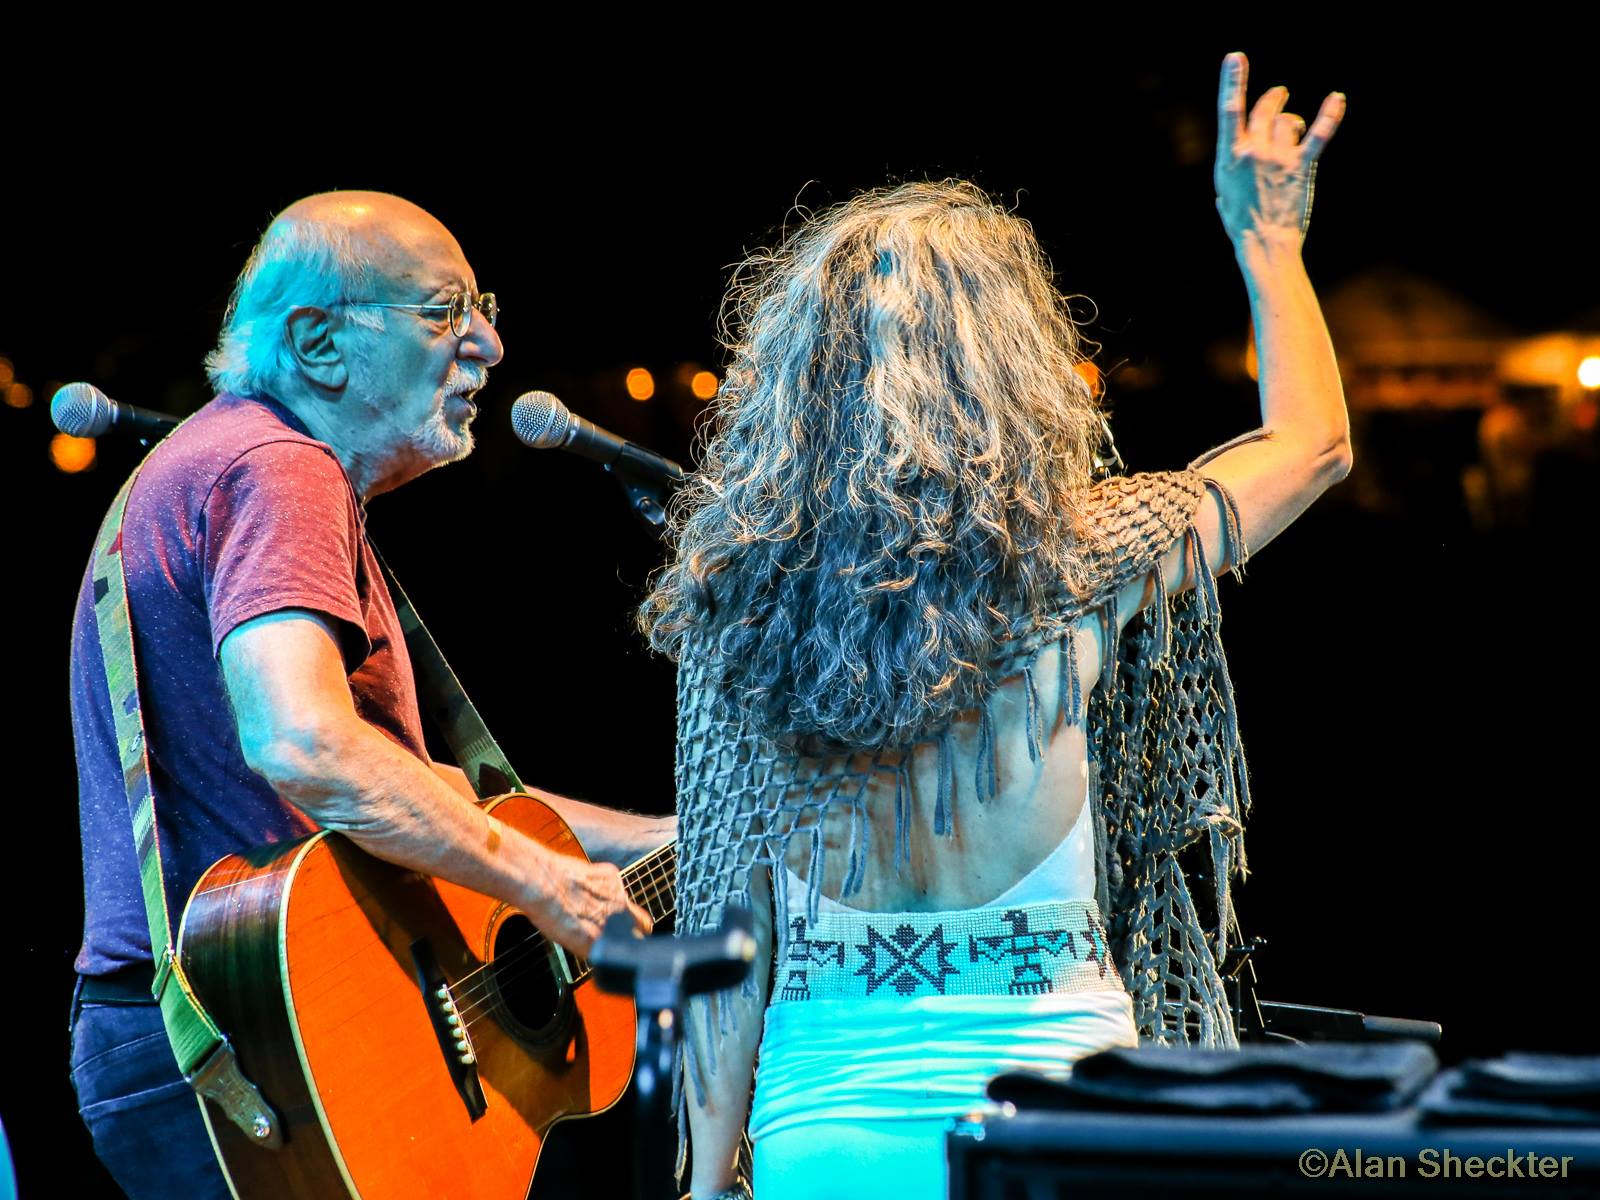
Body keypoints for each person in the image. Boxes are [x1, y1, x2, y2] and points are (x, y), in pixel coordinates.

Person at [641, 54, 1350, 1200]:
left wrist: (709, 1172)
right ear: (1013, 369)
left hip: (828, 1127)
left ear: (794, 381)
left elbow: (730, 938)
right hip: (1065, 1116)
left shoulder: (738, 605)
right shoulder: (1078, 559)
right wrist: (1266, 242)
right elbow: (1314, 447)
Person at [67, 192, 672, 1200]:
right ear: (318, 343)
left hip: (227, 1032)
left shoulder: (227, 465)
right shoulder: (280, 467)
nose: (487, 341)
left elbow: (403, 784)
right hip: (264, 1039)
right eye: (443, 312)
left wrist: (658, 839)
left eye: (482, 305)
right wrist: (546, 886)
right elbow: (305, 742)